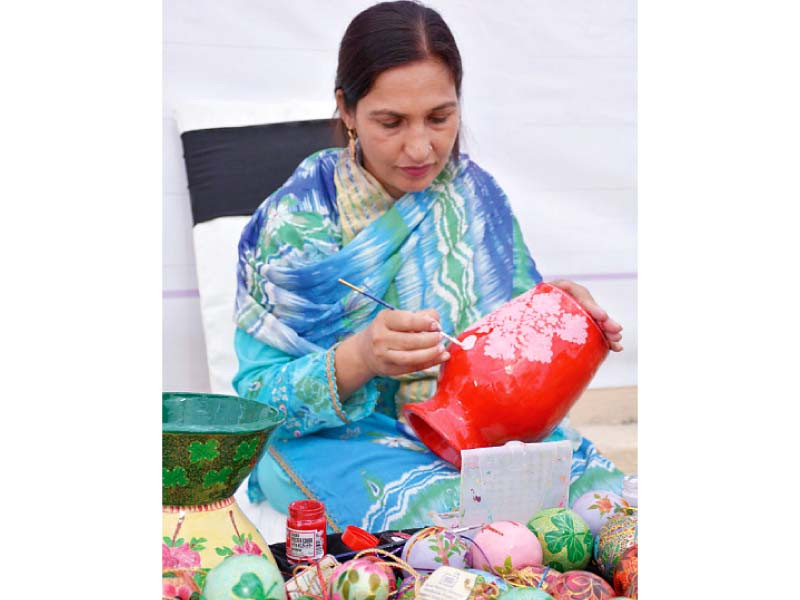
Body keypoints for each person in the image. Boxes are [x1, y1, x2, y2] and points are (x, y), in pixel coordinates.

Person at [234, 0, 625, 534]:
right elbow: (257, 400)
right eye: (390, 122)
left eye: (440, 118)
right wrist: (361, 356)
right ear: (346, 110)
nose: (420, 147)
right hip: (348, 443)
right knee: (454, 517)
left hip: (481, 434)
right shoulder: (295, 221)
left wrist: (552, 313)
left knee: (605, 506)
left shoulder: (473, 195)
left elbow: (511, 348)